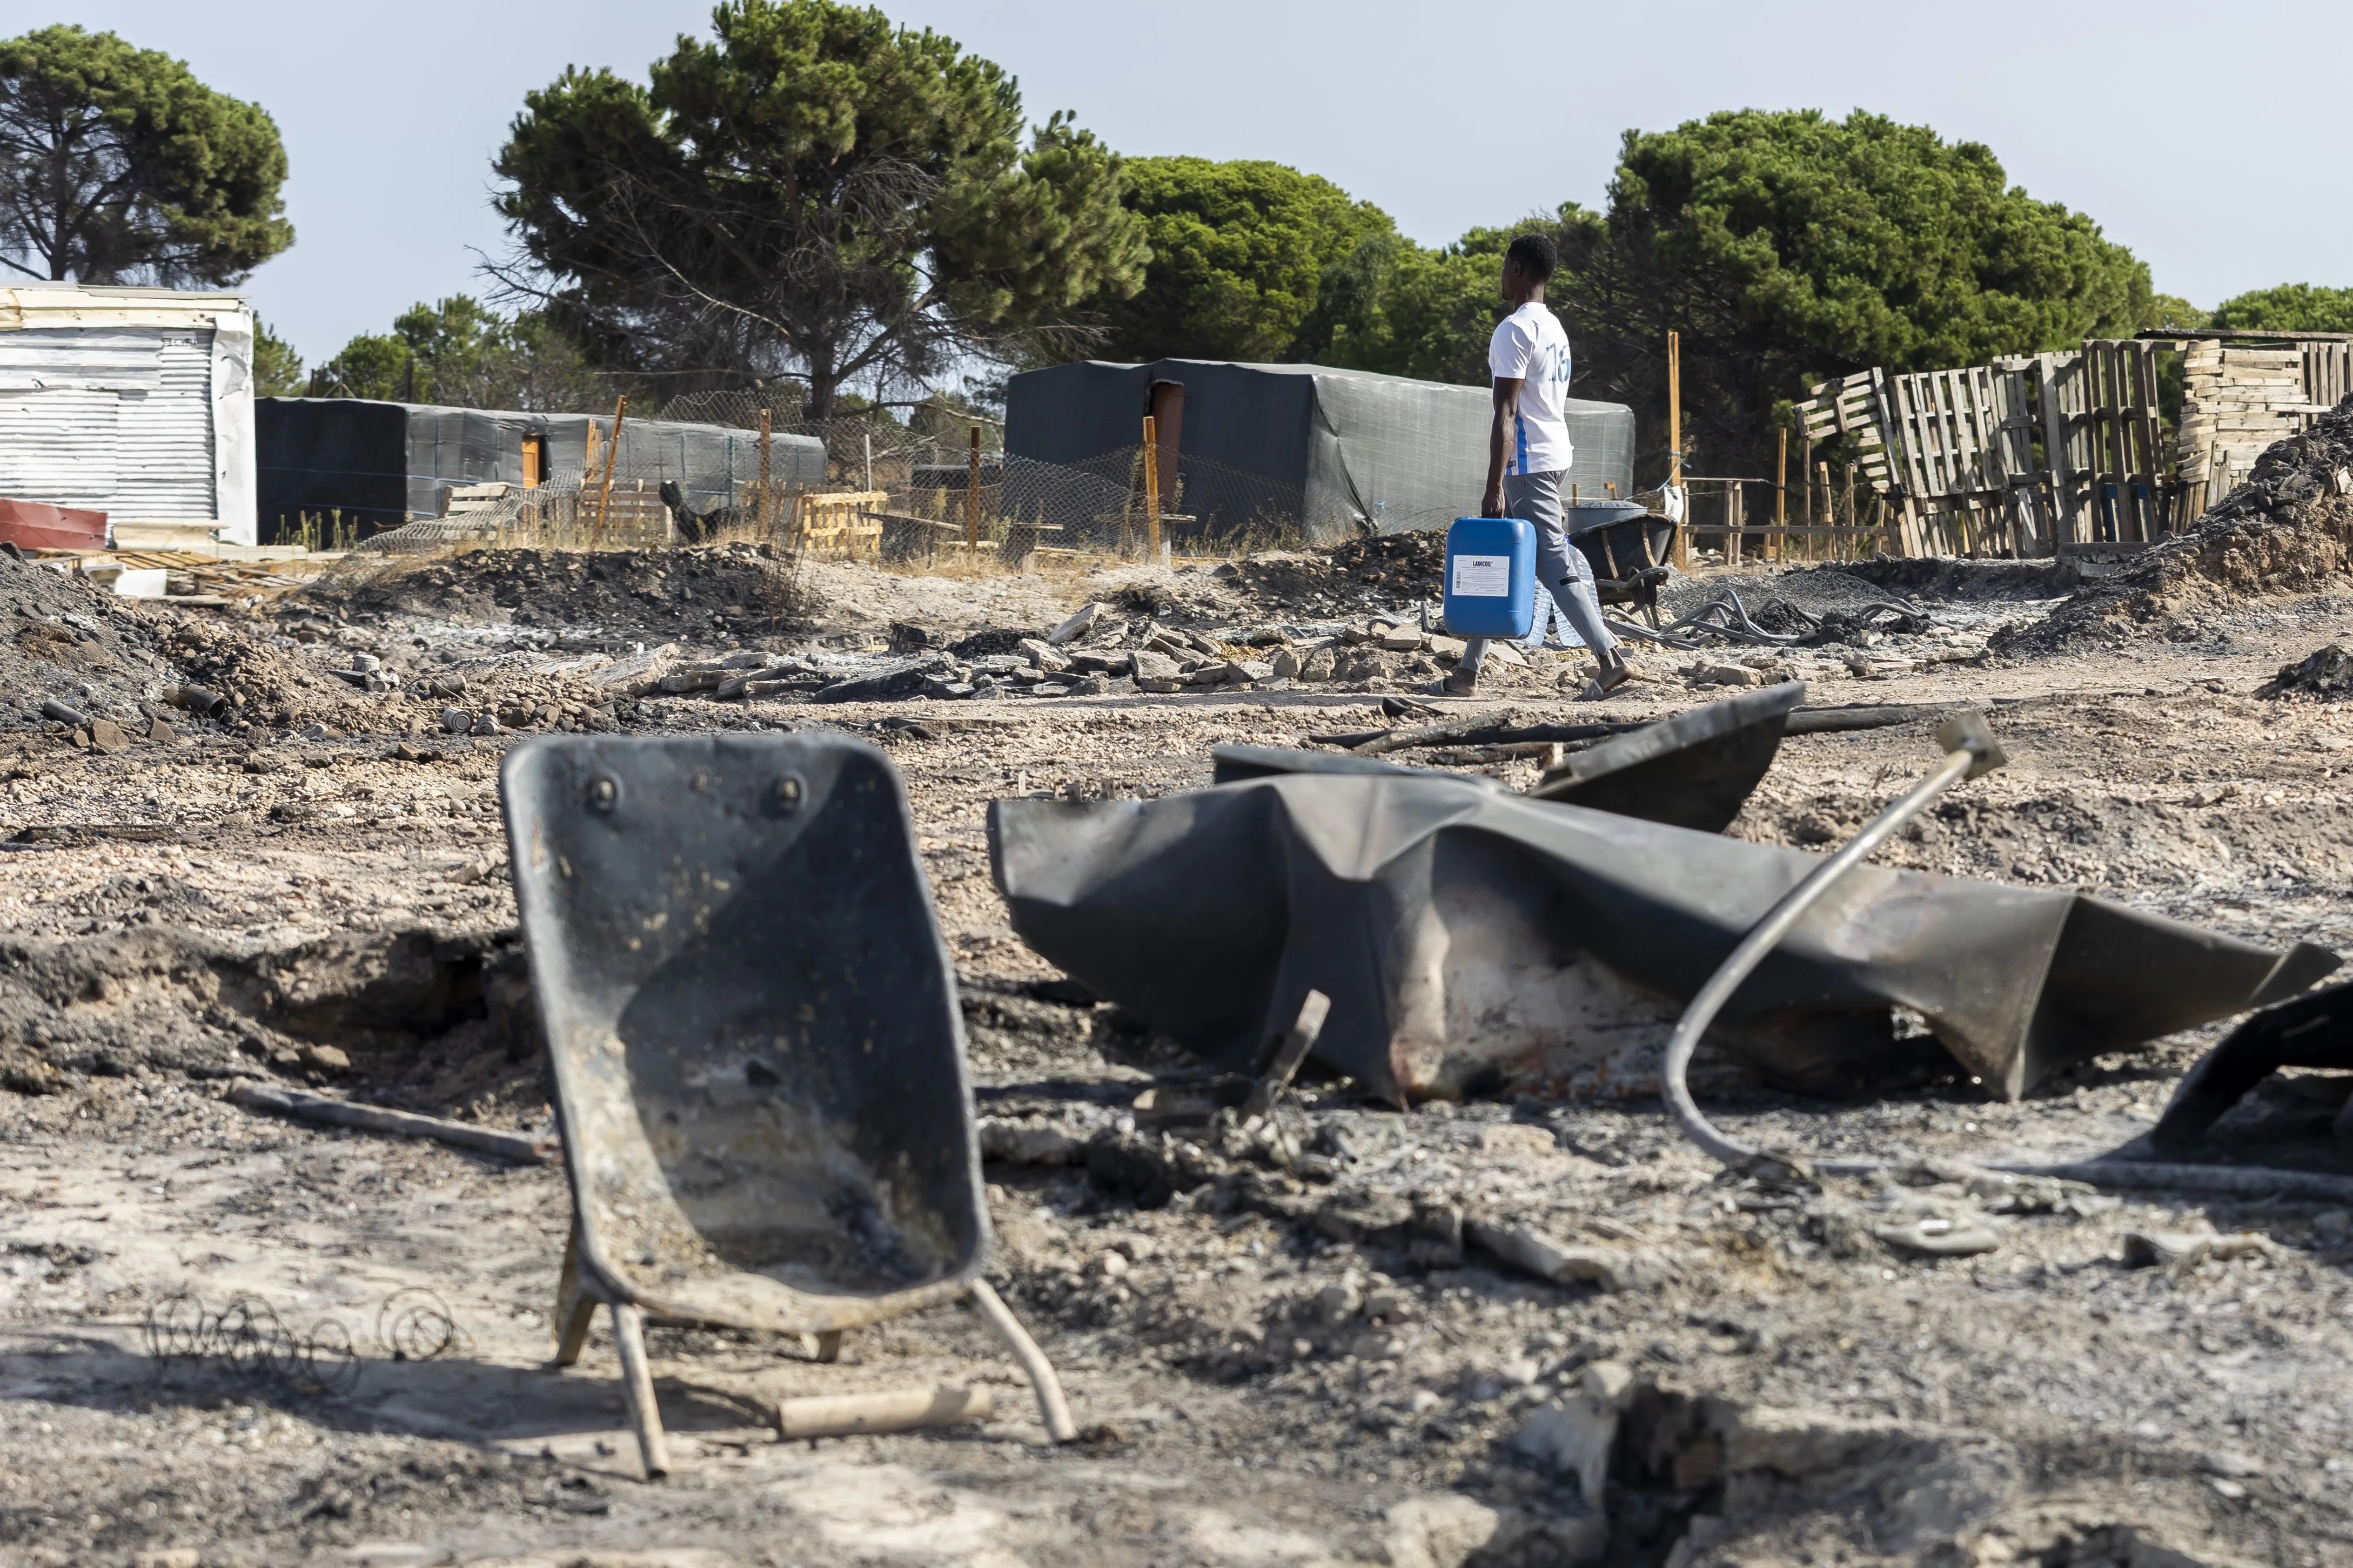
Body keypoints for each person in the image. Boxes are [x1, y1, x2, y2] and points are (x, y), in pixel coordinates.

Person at [1443, 233, 1631, 701]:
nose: (1501, 275)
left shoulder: (1514, 329)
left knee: (1552, 563)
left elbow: (1506, 414)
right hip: (1552, 456)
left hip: (1527, 466)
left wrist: (1493, 486)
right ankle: (1467, 673)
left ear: (1518, 269)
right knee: (1505, 558)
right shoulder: (1553, 327)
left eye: (1504, 266)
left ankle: (1610, 658)